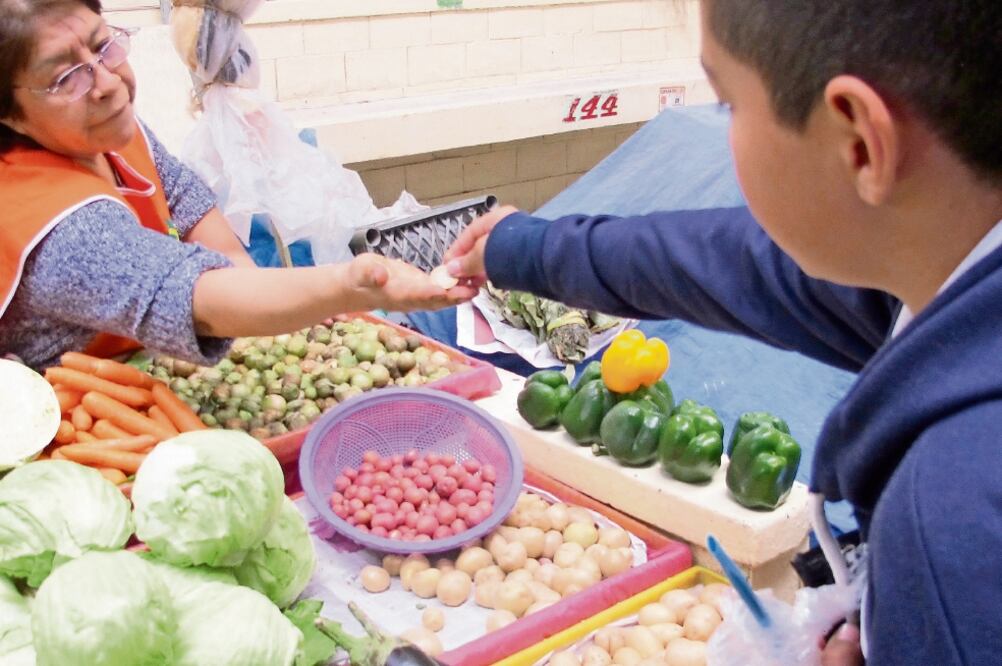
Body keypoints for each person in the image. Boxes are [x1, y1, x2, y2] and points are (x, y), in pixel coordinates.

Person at [446, 1, 1002, 664]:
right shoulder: (936, 264)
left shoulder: (954, 521)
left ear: (857, 143)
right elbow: (727, 263)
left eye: (728, 103)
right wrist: (527, 250)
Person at [0, 0, 474, 370]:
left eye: (104, 46)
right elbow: (191, 295)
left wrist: (266, 290)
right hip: (86, 416)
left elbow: (184, 198)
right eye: (66, 77)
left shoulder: (108, 130)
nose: (107, 82)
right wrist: (347, 285)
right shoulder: (57, 225)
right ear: (10, 114)